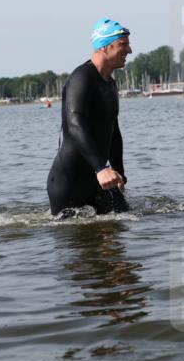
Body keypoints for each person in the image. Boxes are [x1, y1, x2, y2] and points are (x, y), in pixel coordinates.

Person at [47, 18, 131, 217]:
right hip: (69, 182)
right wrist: (101, 168)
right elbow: (75, 125)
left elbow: (114, 134)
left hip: (99, 179)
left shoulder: (110, 84)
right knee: (78, 240)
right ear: (104, 47)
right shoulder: (82, 78)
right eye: (123, 45)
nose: (129, 50)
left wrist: (119, 174)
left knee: (122, 227)